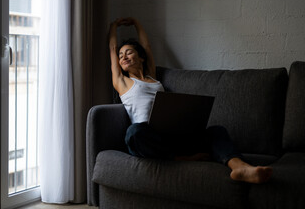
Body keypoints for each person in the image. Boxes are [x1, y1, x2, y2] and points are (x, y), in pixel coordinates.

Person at [108, 17, 273, 184]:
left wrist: (137, 23)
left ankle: (240, 167)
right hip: (149, 138)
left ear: (141, 57)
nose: (123, 57)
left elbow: (147, 46)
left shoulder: (152, 76)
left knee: (216, 131)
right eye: (121, 56)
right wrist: (114, 26)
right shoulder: (122, 82)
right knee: (134, 133)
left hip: (173, 135)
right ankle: (179, 158)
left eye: (128, 52)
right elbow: (112, 48)